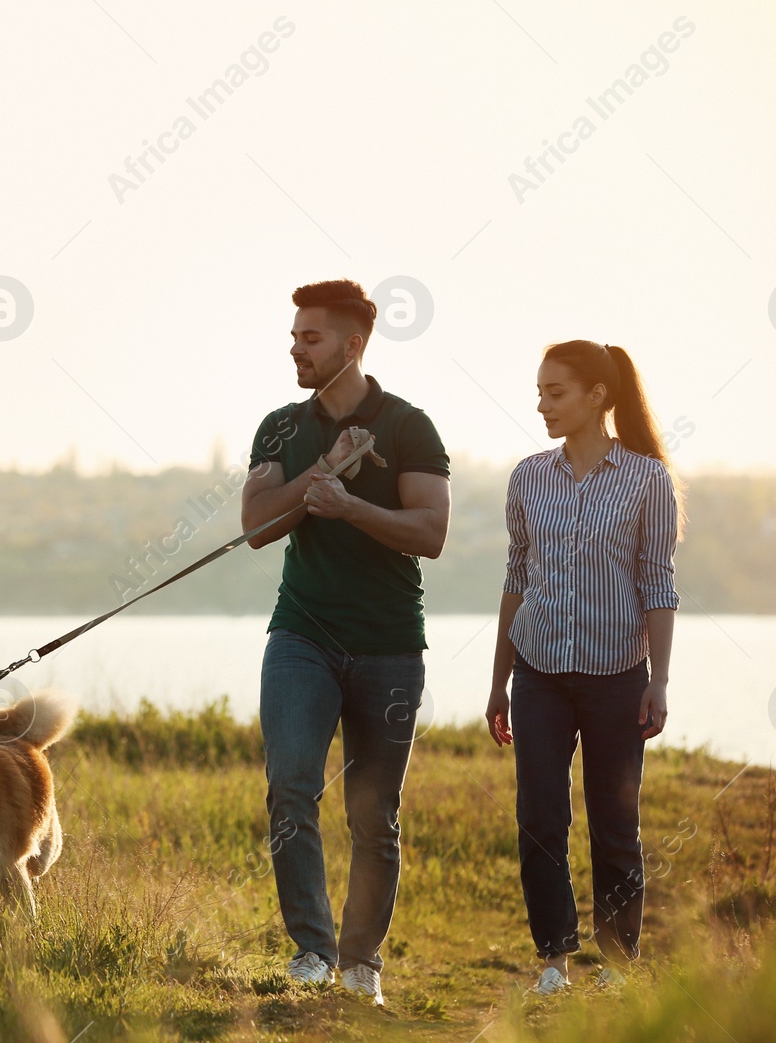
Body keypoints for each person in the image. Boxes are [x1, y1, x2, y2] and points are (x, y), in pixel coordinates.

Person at [242, 279, 452, 1006]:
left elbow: (431, 532)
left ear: (353, 343)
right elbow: (258, 524)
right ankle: (312, 949)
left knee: (373, 810)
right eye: (295, 335)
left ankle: (361, 961)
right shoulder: (279, 427)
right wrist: (321, 473)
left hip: (390, 644)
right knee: (291, 785)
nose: (296, 348)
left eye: (311, 337)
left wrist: (353, 505)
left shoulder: (409, 426)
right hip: (302, 635)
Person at [484, 339, 682, 995]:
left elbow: (658, 581)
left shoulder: (646, 480)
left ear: (597, 395)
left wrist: (658, 677)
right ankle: (554, 959)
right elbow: (516, 578)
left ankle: (620, 962)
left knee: (614, 822)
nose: (542, 404)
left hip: (616, 674)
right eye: (539, 392)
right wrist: (499, 679)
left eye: (555, 391)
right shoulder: (527, 477)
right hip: (538, 669)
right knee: (539, 817)